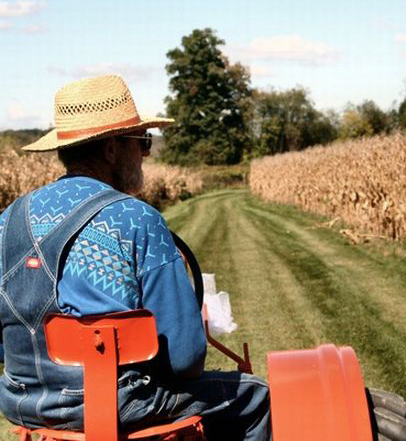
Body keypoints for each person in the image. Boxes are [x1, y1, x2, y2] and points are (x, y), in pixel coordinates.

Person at [0, 75, 271, 440]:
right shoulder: (136, 219)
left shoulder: (7, 221)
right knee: (255, 396)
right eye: (142, 143)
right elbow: (186, 358)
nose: (145, 154)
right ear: (112, 149)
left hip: (23, 403)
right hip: (116, 405)